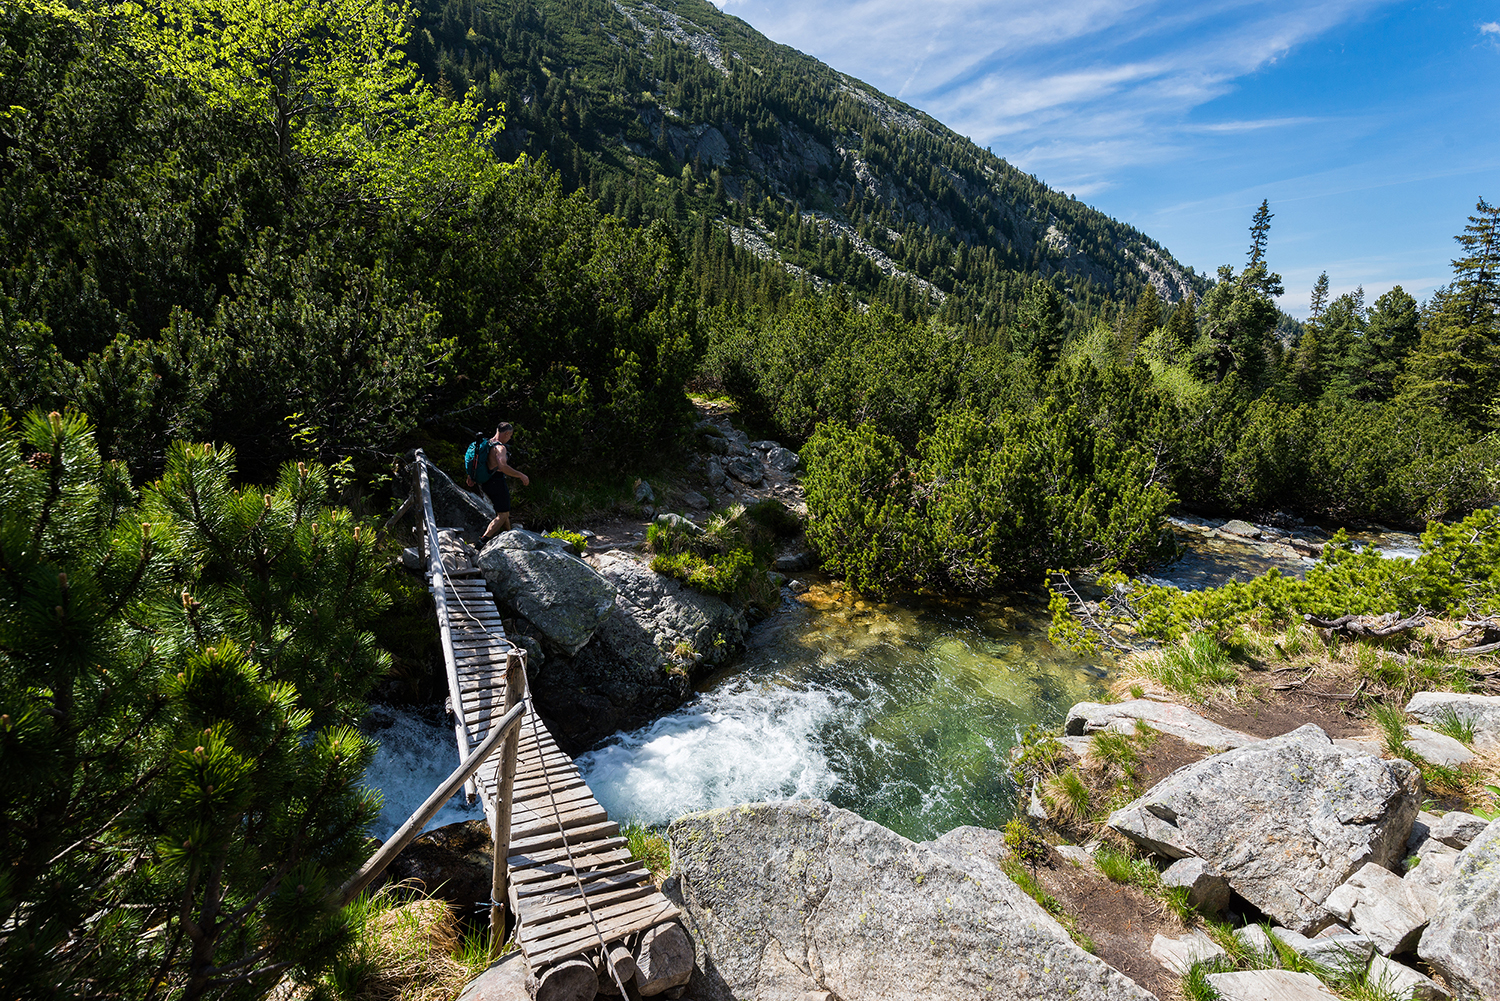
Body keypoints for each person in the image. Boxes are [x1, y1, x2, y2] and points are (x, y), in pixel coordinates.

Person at [479, 422, 529, 539]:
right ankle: (482, 541)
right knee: (503, 515)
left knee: (503, 511)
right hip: (497, 482)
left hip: (486, 480)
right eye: (510, 435)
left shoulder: (487, 443)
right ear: (507, 433)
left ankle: (509, 536)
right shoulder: (500, 448)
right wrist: (520, 475)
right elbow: (503, 466)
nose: (510, 438)